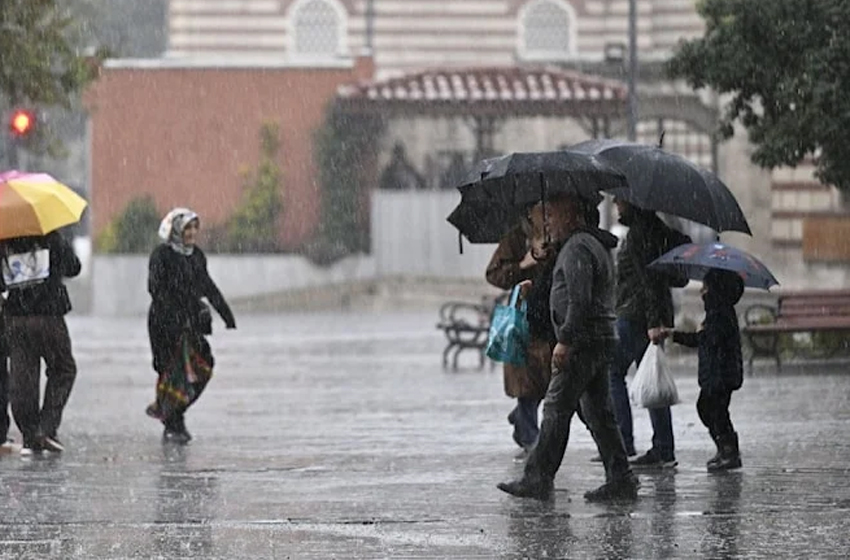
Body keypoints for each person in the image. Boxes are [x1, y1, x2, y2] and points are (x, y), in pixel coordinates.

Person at [497, 194, 638, 502]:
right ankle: (621, 477)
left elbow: (579, 300)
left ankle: (538, 478)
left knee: (556, 407)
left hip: (583, 342)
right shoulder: (584, 245)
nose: (547, 221)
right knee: (599, 413)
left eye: (553, 215)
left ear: (574, 215)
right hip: (597, 338)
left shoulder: (578, 248)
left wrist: (566, 340)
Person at [608, 198, 691, 469]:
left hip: (636, 316)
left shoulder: (641, 233)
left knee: (618, 373)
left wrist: (654, 322)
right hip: (641, 315)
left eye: (619, 200)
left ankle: (631, 443)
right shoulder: (654, 228)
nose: (616, 205)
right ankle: (660, 447)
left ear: (633, 203)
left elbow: (650, 279)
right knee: (648, 378)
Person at [145, 208, 236, 444]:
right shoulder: (161, 255)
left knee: (202, 367)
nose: (192, 232)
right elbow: (156, 289)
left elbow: (207, 285)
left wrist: (225, 314)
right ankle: (173, 423)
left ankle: (171, 411)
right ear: (175, 229)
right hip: (164, 324)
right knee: (170, 370)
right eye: (187, 228)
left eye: (195, 227)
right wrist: (175, 314)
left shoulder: (196, 256)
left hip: (190, 324)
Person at [651, 269, 745, 472]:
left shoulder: (721, 314)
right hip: (715, 374)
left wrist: (703, 332)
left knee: (715, 411)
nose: (702, 291)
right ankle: (724, 448)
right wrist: (674, 335)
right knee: (709, 409)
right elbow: (700, 341)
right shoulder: (714, 313)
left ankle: (729, 451)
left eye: (705, 287)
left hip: (721, 375)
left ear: (715, 290)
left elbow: (710, 340)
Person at [1, 231, 81, 454]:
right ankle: (45, 428)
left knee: (22, 377)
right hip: (48, 316)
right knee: (63, 369)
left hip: (16, 318)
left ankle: (29, 434)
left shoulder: (4, 241)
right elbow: (74, 267)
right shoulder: (50, 237)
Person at [485, 207, 556, 458]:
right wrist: (523, 264)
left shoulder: (559, 236)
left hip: (550, 316)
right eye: (541, 213)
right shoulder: (515, 238)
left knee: (548, 380)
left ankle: (522, 417)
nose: (547, 218)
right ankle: (529, 438)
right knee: (526, 380)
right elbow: (494, 274)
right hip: (523, 318)